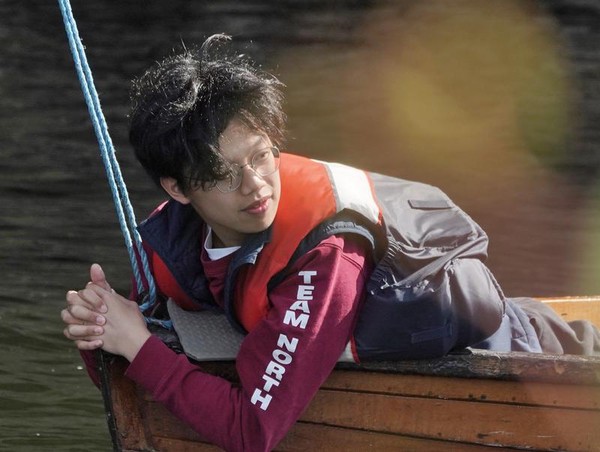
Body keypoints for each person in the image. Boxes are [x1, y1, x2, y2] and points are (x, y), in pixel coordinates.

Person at [61, 34, 599, 451]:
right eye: (223, 174)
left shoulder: (327, 253)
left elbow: (251, 431)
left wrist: (138, 346)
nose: (255, 185)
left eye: (261, 156)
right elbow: (132, 367)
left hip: (524, 353)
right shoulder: (170, 237)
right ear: (178, 189)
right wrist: (99, 331)